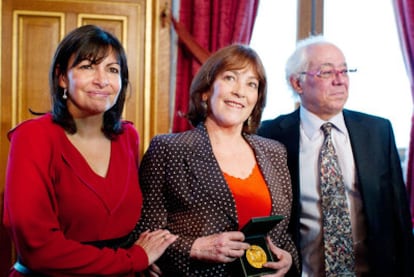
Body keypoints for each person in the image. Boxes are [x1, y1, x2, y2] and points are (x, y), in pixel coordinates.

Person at [3, 24, 177, 276]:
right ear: (62, 77)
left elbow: (126, 226)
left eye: (113, 69)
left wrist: (143, 257)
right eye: (87, 66)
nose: (102, 80)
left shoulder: (128, 136)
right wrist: (132, 259)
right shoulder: (33, 136)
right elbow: (37, 247)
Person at [135, 44, 300, 276]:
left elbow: (283, 234)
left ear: (257, 99)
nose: (240, 91)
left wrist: (288, 259)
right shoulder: (168, 148)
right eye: (230, 78)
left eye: (251, 84)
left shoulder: (275, 152)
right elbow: (144, 234)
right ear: (206, 90)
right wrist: (194, 248)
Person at [258, 35, 414, 276]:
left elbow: (399, 216)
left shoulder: (378, 131)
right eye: (327, 72)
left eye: (345, 71)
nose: (340, 81)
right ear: (297, 83)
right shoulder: (269, 136)